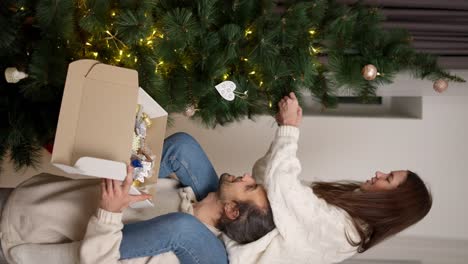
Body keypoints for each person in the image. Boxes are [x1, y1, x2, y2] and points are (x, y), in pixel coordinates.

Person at [0, 132, 275, 264]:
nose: (246, 176)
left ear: (232, 211)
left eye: (249, 187)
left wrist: (109, 214)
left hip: (13, 234)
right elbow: (178, 150)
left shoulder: (169, 256)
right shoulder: (185, 193)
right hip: (26, 196)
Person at [223, 92, 433, 264]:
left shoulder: (343, 232)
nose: (379, 174)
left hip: (225, 255)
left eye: (388, 179)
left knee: (187, 148)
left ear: (390, 204)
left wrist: (290, 130)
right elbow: (267, 182)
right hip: (228, 230)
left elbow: (281, 187)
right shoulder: (345, 207)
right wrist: (282, 132)